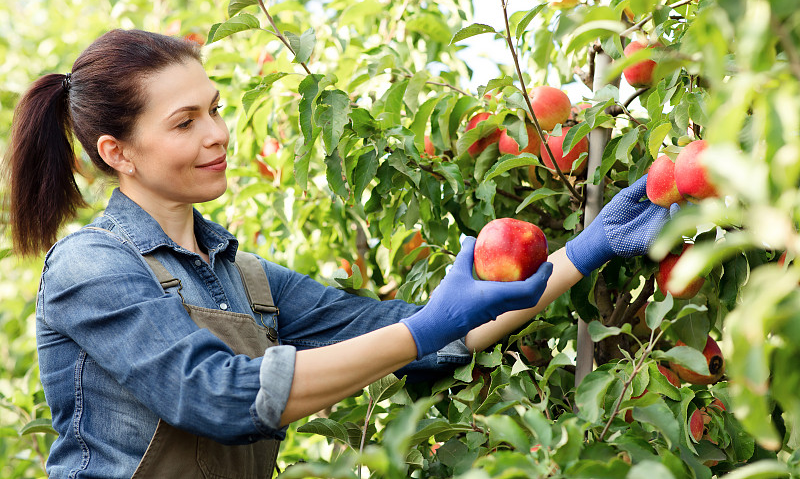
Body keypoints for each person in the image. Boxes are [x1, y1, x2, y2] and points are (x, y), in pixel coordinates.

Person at [4, 29, 669, 479]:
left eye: (214, 109)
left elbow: (435, 332)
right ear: (116, 153)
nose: (218, 134)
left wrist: (588, 248)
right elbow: (216, 395)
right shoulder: (89, 266)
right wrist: (427, 326)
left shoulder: (245, 277)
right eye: (185, 122)